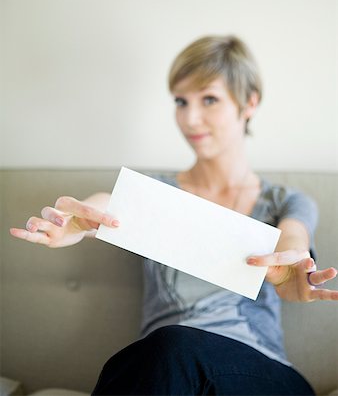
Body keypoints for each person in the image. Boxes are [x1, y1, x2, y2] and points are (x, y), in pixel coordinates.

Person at [10, 35, 338, 395]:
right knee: (165, 352)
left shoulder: (285, 201)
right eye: (181, 102)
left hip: (259, 373)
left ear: (249, 103)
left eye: (209, 99)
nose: (190, 118)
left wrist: (294, 259)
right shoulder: (154, 194)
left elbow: (295, 238)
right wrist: (75, 222)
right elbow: (107, 205)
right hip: (162, 374)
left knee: (174, 348)